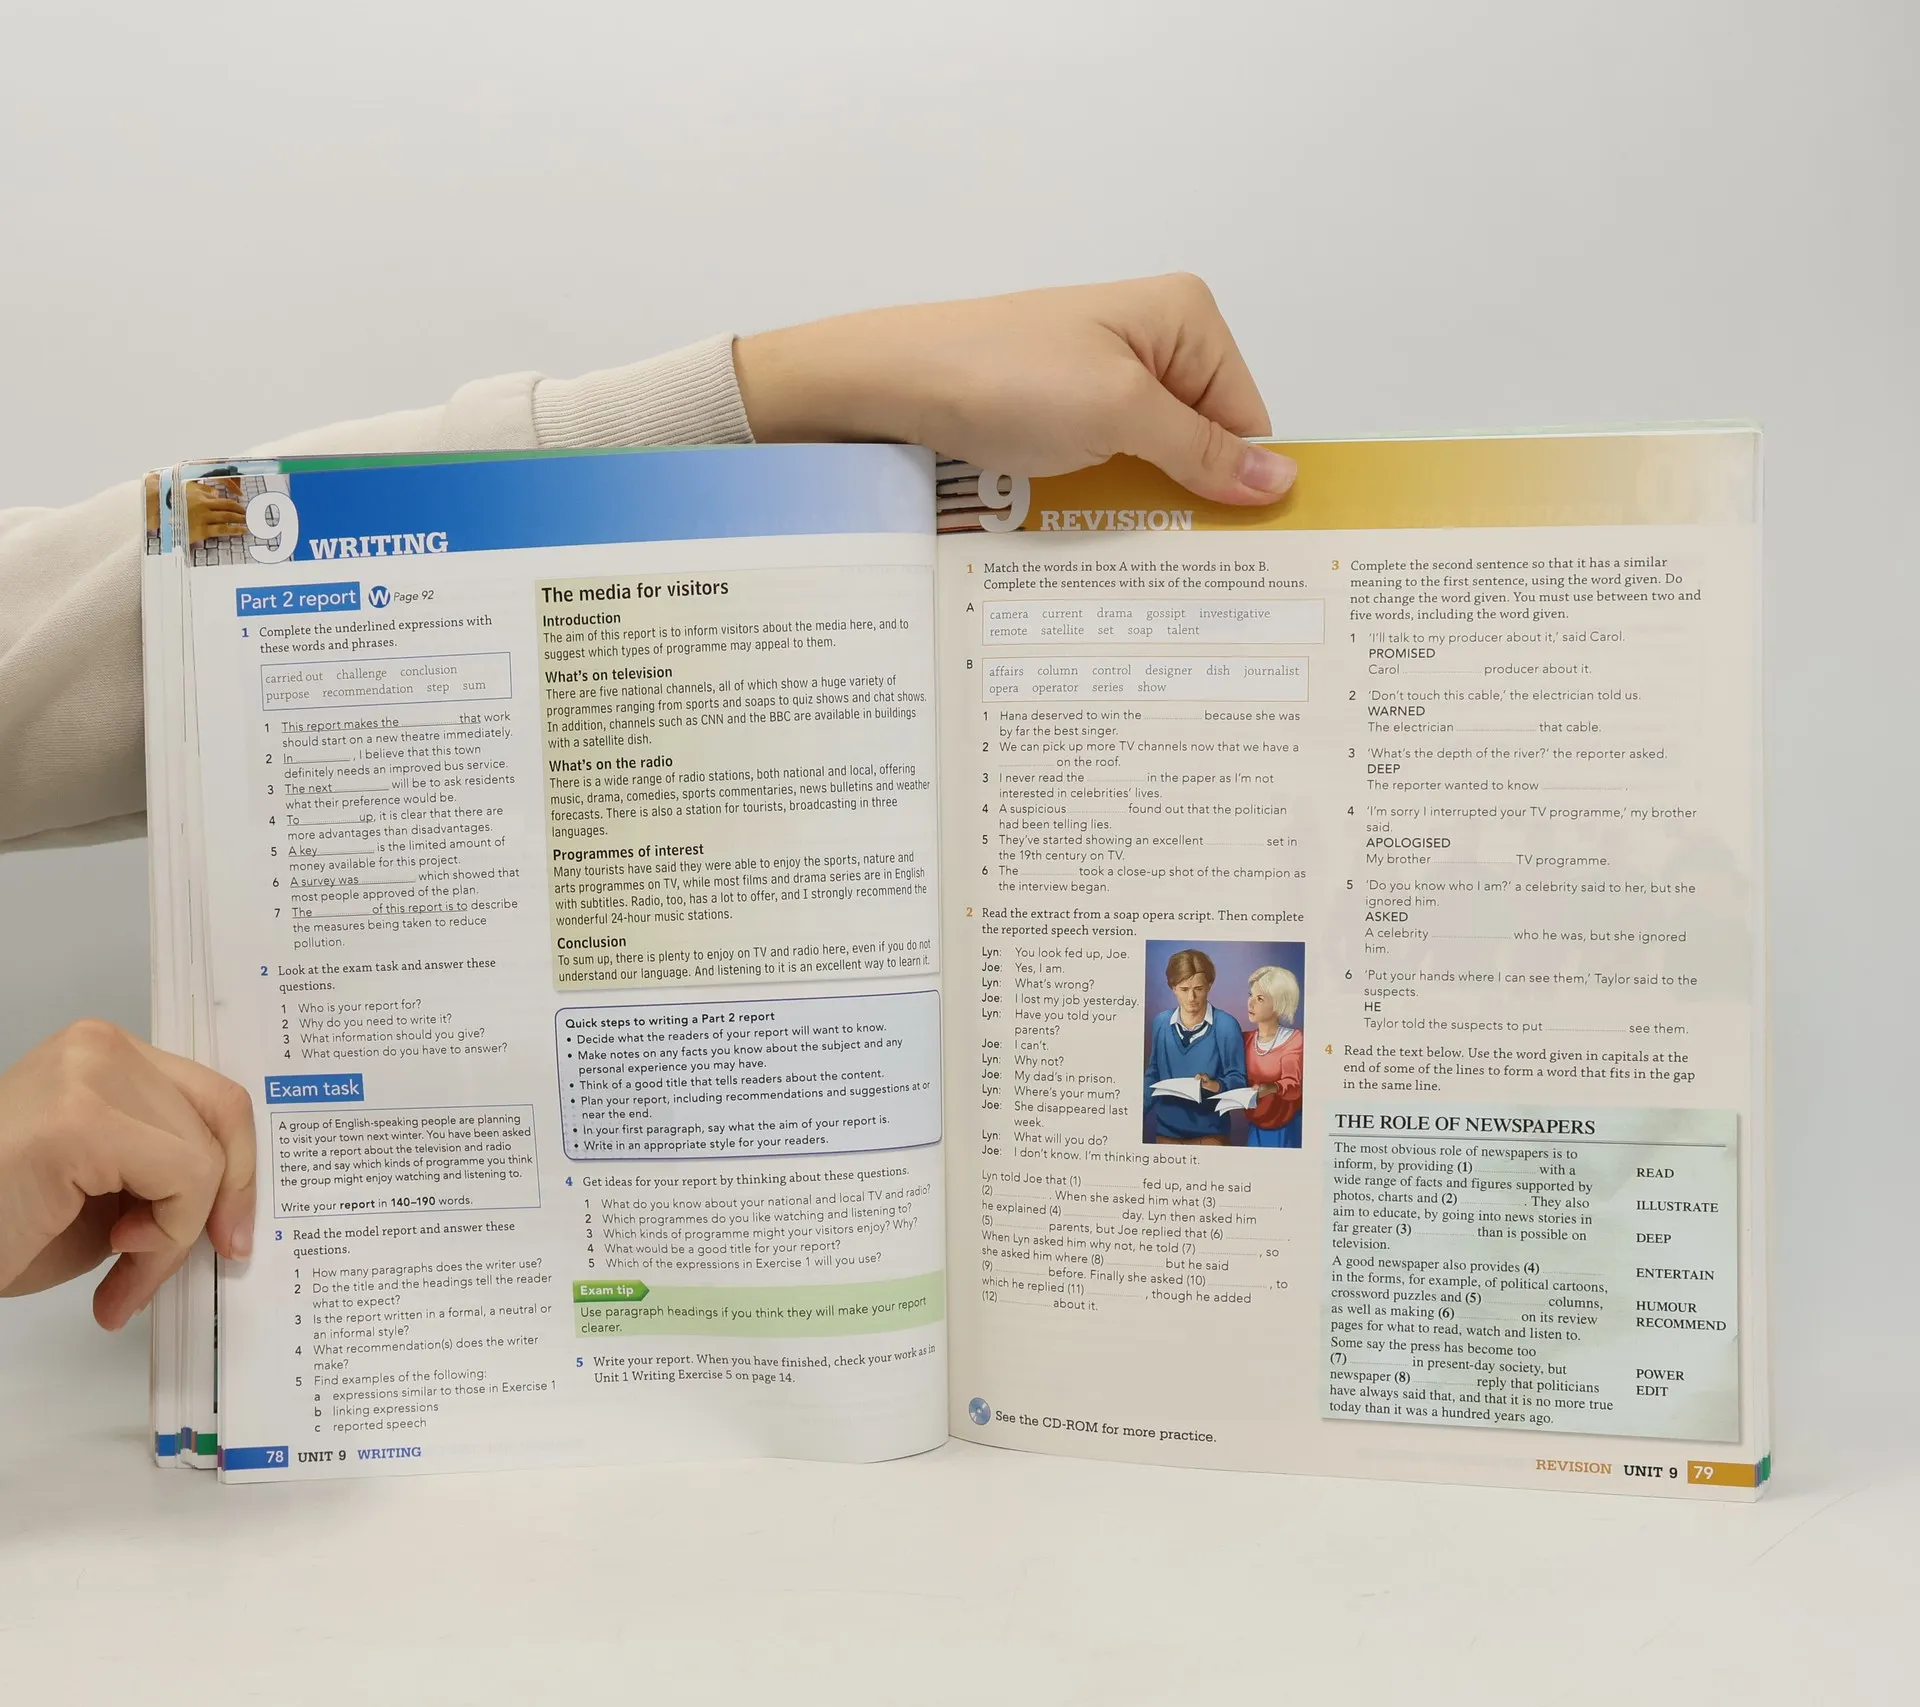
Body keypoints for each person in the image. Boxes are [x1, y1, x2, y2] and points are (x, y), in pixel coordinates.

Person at [0, 275, 1296, 1329]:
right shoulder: (1179, 1036)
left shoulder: (1225, 1042)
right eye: (1192, 984)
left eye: (1203, 987)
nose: (1198, 997)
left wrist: (780, 389)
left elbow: (103, 620)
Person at [1143, 947, 1247, 1146]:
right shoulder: (1161, 1023)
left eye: (1198, 989)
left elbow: (1239, 1080)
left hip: (1211, 1135)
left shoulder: (1226, 1025)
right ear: (1173, 988)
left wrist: (1215, 1085)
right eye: (1184, 989)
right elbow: (1153, 1074)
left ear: (1209, 986)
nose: (1191, 997)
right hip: (1166, 1133)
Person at [1241, 964, 1304, 1148]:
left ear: (1278, 1005)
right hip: (1255, 1127)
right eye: (1250, 995)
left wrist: (1272, 1088)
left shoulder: (1294, 1040)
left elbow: (1293, 1087)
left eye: (1259, 998)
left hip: (1286, 1129)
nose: (1250, 1003)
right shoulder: (1244, 1039)